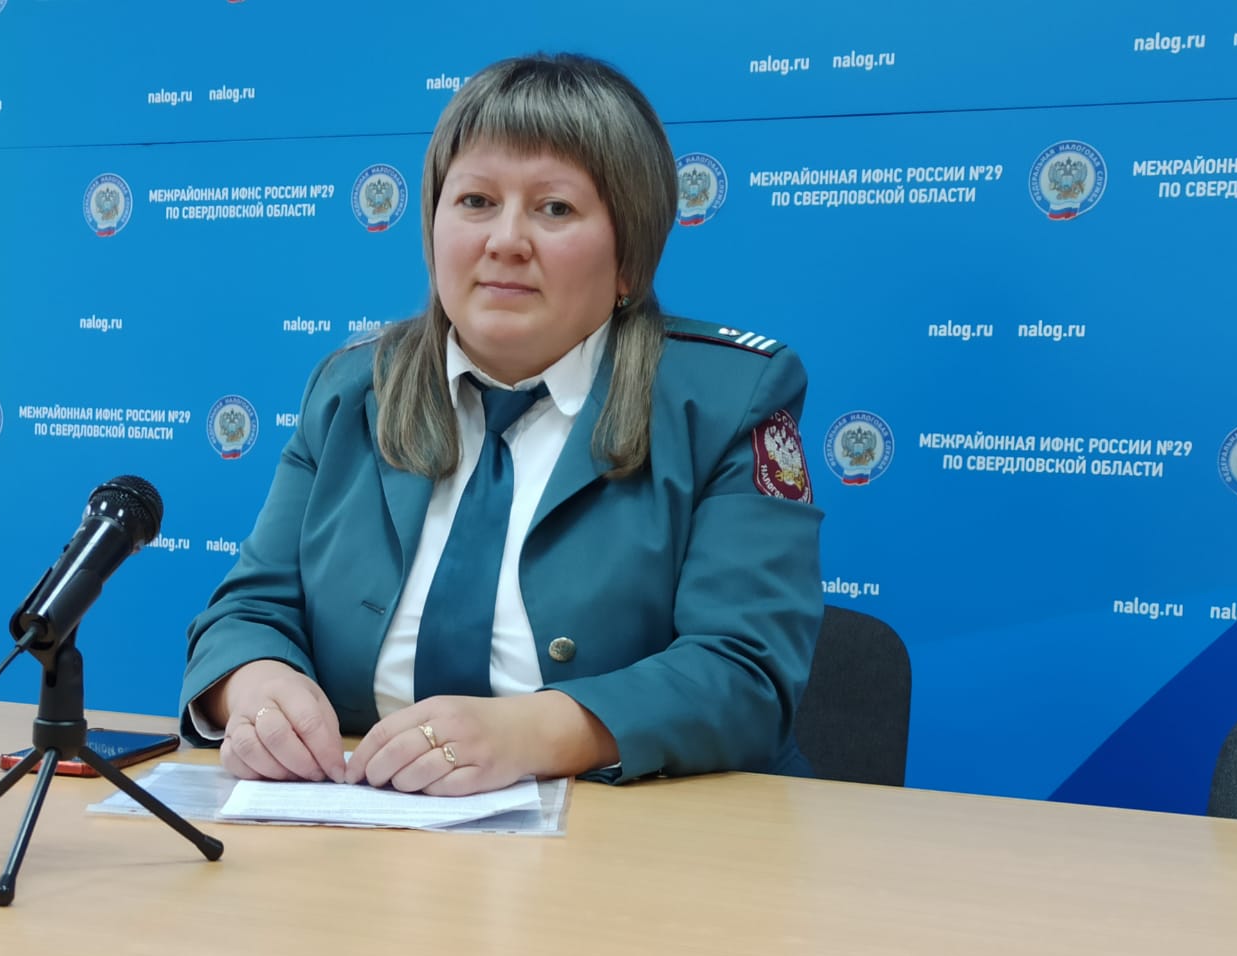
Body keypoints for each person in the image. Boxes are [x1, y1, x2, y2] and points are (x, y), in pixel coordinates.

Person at [180, 52, 823, 795]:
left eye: (555, 209)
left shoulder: (726, 398)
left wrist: (527, 733)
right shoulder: (351, 390)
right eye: (476, 200)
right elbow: (248, 611)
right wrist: (258, 685)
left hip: (635, 837)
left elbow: (746, 670)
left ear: (630, 257)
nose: (506, 240)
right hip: (359, 828)